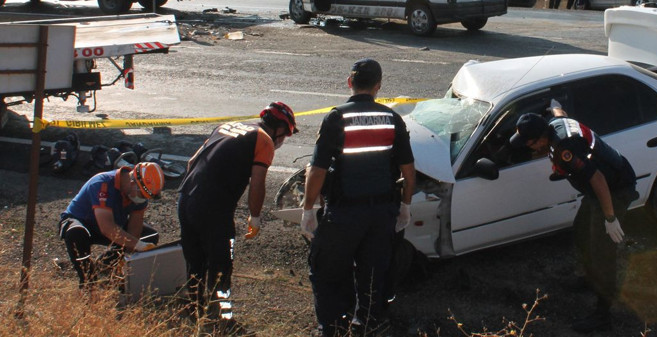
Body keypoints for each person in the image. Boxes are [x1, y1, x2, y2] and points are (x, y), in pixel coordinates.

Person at [301, 58, 416, 337]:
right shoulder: (392, 118)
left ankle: (333, 328)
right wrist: (406, 206)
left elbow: (317, 171)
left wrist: (306, 209)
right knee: (372, 274)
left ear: (350, 83)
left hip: (344, 214)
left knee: (327, 271)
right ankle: (366, 324)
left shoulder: (336, 117)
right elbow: (408, 170)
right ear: (378, 86)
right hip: (381, 213)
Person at [510, 107, 637, 333]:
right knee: (581, 231)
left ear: (540, 138)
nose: (530, 149)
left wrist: (610, 218)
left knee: (602, 251)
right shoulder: (556, 124)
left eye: (529, 144)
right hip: (596, 190)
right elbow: (560, 113)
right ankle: (589, 278)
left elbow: (597, 179)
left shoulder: (565, 150)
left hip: (613, 189)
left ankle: (603, 314)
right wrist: (552, 106)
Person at [177, 102, 298, 326]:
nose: (283, 140)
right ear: (280, 128)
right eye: (286, 134)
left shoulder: (227, 126)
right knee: (222, 266)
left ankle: (194, 314)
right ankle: (223, 318)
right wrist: (255, 216)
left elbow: (192, 161)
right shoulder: (263, 140)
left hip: (185, 199)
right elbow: (258, 183)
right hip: (213, 208)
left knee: (195, 263)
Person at [58, 162, 165, 289]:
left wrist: (128, 256)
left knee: (150, 235)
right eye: (142, 195)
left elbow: (135, 226)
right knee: (76, 233)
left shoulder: (138, 192)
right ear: (132, 182)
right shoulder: (102, 184)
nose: (143, 199)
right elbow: (107, 227)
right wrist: (138, 245)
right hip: (83, 223)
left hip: (112, 224)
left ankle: (106, 264)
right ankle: (88, 280)